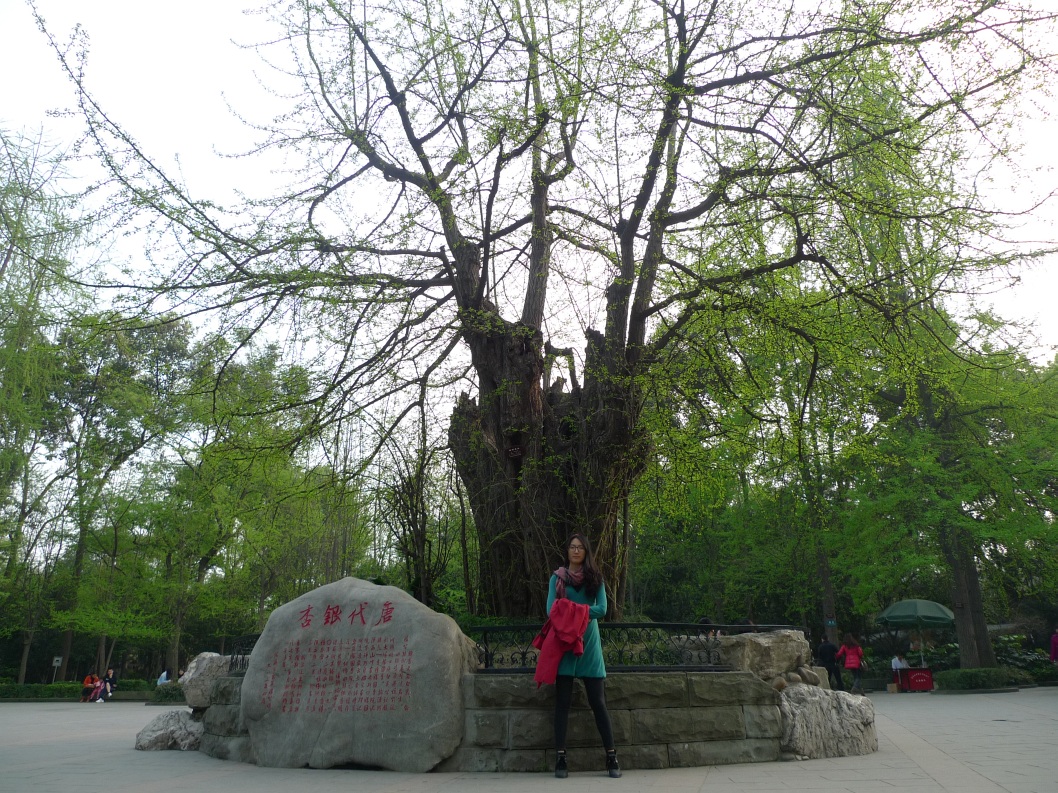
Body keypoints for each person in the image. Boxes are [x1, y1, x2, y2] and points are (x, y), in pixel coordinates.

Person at [543, 533, 620, 779]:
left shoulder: (595, 578)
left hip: (589, 645)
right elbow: (550, 610)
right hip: (564, 643)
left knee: (598, 702)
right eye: (572, 547)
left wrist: (571, 610)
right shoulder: (557, 578)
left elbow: (603, 609)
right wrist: (581, 612)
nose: (576, 551)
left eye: (580, 547)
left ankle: (611, 757)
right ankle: (561, 758)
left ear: (586, 551)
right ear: (567, 551)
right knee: (562, 703)